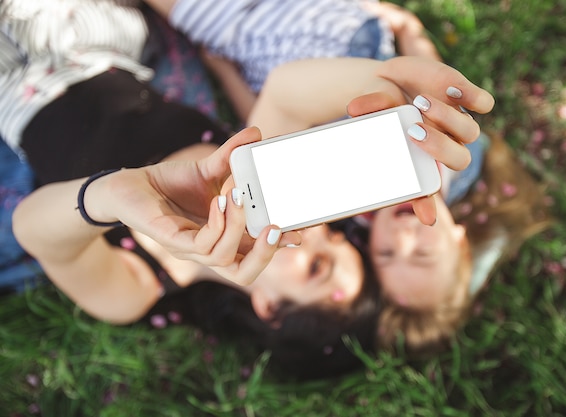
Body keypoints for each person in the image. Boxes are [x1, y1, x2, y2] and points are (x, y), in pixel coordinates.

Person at [2, 0, 496, 379]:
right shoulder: (259, 181)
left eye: (315, 266)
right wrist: (392, 84)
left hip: (13, 99)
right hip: (98, 46)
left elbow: (32, 230)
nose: (317, 232)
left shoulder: (136, 290)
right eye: (338, 237)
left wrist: (112, 196)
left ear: (268, 308)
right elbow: (286, 92)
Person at [246, 56, 550, 357]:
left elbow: (269, 122)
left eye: (385, 254)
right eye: (423, 254)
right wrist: (409, 37)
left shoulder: (349, 209)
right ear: (461, 242)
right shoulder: (458, 158)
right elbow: (431, 78)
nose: (402, 237)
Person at [143, 0, 441, 122]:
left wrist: (224, 71)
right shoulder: (435, 105)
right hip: (329, 20)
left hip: (240, 29)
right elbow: (406, 25)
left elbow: (263, 117)